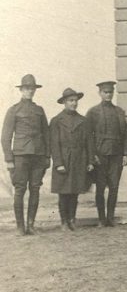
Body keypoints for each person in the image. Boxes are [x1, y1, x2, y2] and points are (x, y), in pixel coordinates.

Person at [4, 75, 48, 235]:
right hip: (20, 156)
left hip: (38, 156)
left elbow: (46, 134)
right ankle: (20, 227)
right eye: (27, 88)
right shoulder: (14, 110)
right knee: (20, 190)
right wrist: (9, 159)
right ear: (21, 90)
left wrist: (47, 157)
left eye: (32, 88)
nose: (30, 91)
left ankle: (31, 225)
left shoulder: (39, 110)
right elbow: (5, 137)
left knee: (35, 189)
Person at [49, 88, 95, 231]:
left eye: (75, 100)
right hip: (63, 160)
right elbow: (54, 144)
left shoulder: (83, 121)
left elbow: (89, 142)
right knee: (63, 193)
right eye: (70, 101)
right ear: (64, 102)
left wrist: (90, 161)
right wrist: (58, 163)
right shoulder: (56, 121)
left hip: (78, 160)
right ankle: (64, 221)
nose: (74, 103)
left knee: (74, 192)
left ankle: (72, 220)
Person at [87, 81, 127, 226]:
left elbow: (125, 134)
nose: (108, 95)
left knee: (114, 186)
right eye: (105, 92)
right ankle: (101, 218)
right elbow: (88, 136)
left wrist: (126, 154)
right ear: (100, 93)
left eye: (110, 92)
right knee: (100, 187)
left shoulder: (119, 111)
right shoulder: (93, 112)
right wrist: (92, 155)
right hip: (100, 155)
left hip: (116, 154)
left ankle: (110, 217)